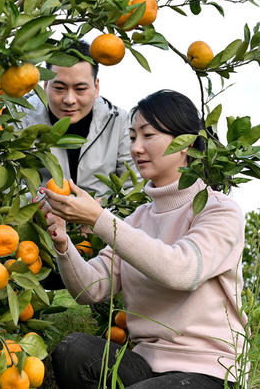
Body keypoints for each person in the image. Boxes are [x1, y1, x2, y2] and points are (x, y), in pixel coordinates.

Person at [43, 90, 246, 388]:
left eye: (148, 135)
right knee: (74, 351)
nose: (136, 148)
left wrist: (99, 218)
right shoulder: (137, 219)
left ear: (185, 144)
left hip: (208, 370)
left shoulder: (219, 210)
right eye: (132, 136)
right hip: (144, 364)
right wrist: (62, 243)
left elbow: (183, 270)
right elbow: (91, 289)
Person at [19, 40, 136, 197]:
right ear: (46, 85)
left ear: (96, 87)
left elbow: (134, 189)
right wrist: (44, 208)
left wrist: (99, 217)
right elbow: (5, 188)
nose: (69, 100)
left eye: (80, 89)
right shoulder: (20, 118)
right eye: (59, 88)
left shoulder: (119, 123)